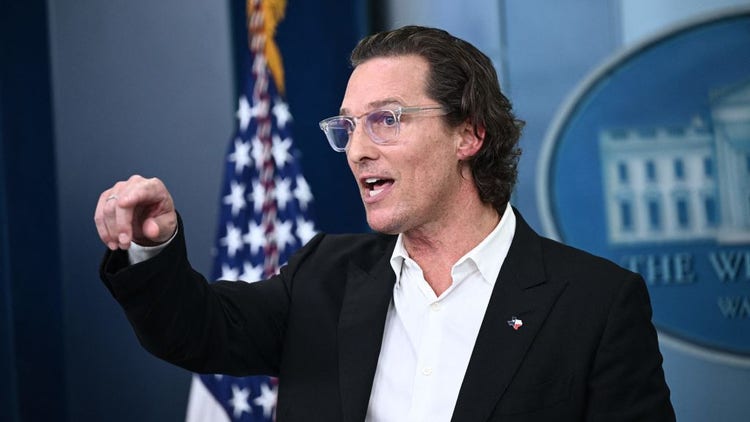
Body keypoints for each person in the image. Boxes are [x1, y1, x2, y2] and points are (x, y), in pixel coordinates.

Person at [95, 25, 675, 421]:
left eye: (386, 120)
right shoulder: (323, 276)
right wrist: (152, 245)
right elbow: (193, 328)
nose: (357, 150)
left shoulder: (595, 303)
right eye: (348, 127)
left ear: (469, 134)